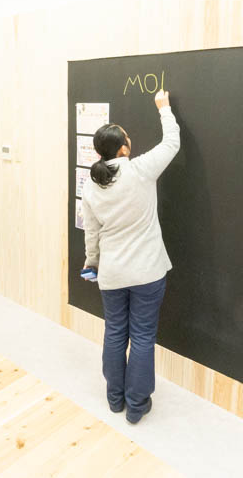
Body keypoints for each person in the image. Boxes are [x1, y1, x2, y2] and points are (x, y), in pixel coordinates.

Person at [81, 90, 179, 424]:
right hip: (147, 272)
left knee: (114, 333)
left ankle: (114, 398)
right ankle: (136, 405)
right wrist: (164, 108)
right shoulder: (139, 170)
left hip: (111, 274)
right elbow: (172, 143)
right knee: (142, 337)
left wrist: (91, 263)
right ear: (123, 148)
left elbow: (91, 232)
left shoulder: (92, 184)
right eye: (127, 137)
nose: (130, 139)